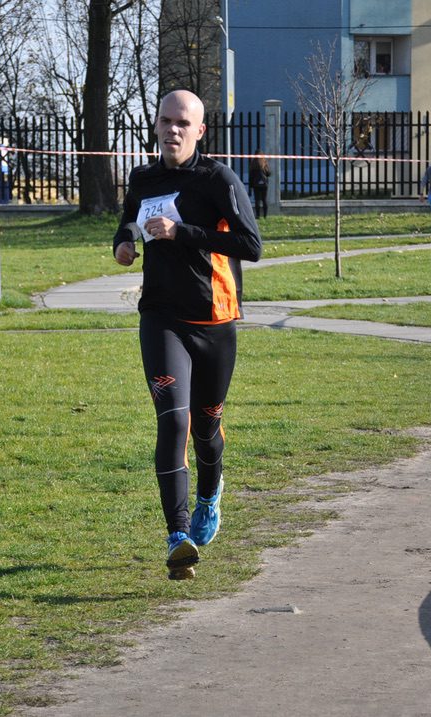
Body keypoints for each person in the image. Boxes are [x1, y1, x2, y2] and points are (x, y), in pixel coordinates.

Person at [112, 89, 263, 580]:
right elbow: (128, 223)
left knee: (205, 430)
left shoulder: (217, 179)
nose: (173, 130)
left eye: (183, 123)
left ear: (200, 131)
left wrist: (183, 233)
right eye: (166, 121)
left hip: (214, 320)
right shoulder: (143, 178)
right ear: (156, 126)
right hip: (161, 318)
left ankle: (209, 494)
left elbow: (251, 245)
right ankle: (177, 537)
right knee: (172, 421)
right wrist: (123, 244)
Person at [248, 153, 270, 219]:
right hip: (264, 185)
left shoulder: (253, 164)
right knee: (264, 199)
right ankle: (265, 215)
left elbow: (251, 177)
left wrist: (250, 186)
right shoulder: (264, 163)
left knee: (257, 200)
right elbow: (268, 173)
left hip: (256, 185)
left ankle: (258, 215)